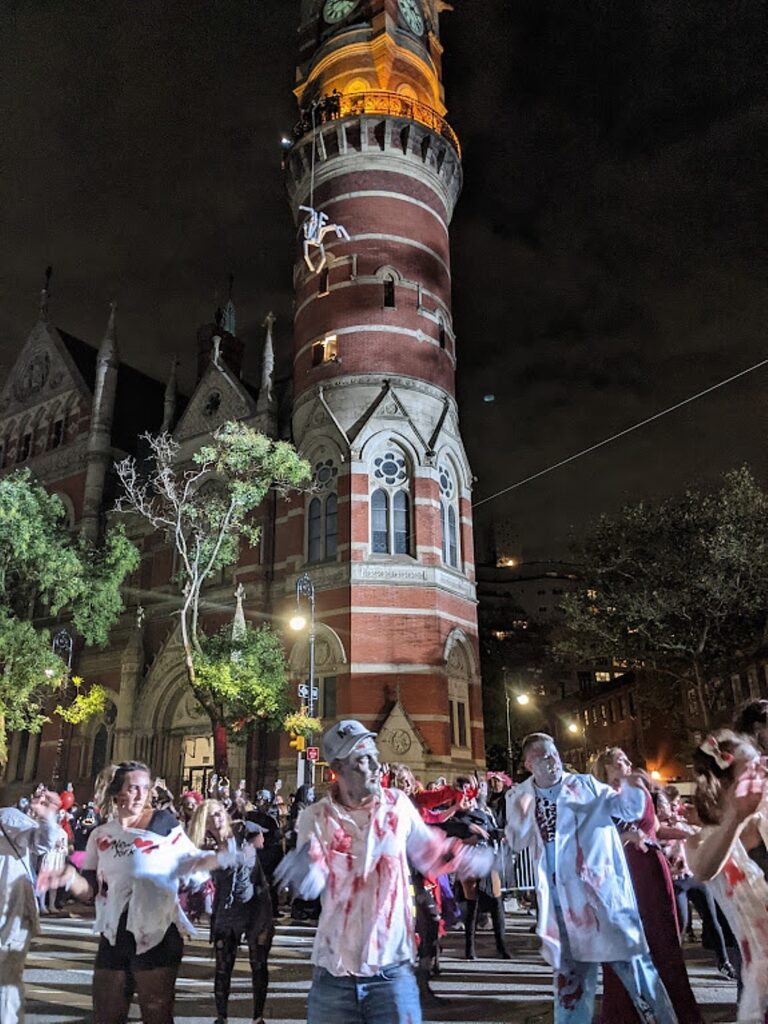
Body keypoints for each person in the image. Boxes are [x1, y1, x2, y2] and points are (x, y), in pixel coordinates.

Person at [276, 719, 493, 1024]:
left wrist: (475, 859)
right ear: (338, 769)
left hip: (391, 971)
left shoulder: (398, 806)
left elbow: (431, 851)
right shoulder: (316, 817)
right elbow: (314, 884)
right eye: (363, 759)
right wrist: (303, 869)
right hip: (334, 975)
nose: (376, 765)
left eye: (375, 755)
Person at [37, 760, 243, 1024]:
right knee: (106, 1015)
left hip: (157, 933)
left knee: (156, 1014)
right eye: (133, 788)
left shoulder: (163, 823)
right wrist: (68, 877)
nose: (139, 795)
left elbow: (192, 862)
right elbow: (90, 891)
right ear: (117, 792)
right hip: (114, 935)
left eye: (144, 789)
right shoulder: (101, 834)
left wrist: (222, 855)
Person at [505, 732, 677, 1024]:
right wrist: (521, 817)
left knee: (639, 975)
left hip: (603, 903)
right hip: (562, 908)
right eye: (543, 756)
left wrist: (630, 787)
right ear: (528, 764)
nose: (553, 761)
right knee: (571, 988)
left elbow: (627, 809)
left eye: (554, 754)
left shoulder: (585, 785)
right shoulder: (519, 795)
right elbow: (517, 841)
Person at [593, 748, 703, 1023]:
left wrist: (689, 833)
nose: (629, 764)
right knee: (625, 943)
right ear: (606, 767)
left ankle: (676, 1011)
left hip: (650, 869)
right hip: (619, 873)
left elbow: (655, 830)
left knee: (662, 938)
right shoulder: (598, 797)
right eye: (621, 761)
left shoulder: (639, 791)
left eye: (629, 759)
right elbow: (593, 838)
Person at [686, 729, 768, 1022]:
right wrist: (735, 818)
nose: (764, 772)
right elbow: (703, 869)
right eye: (753, 768)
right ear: (725, 784)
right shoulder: (703, 840)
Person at [189, 801, 274, 1024]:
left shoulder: (244, 831)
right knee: (223, 967)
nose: (215, 819)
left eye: (218, 814)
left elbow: (268, 853)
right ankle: (221, 1017)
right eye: (209, 817)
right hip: (226, 911)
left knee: (258, 963)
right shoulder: (204, 848)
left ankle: (258, 1017)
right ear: (203, 822)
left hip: (255, 905)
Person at [0, 787, 65, 1024]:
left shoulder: (8, 817)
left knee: (6, 982)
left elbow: (41, 842)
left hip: (11, 914)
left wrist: (48, 816)